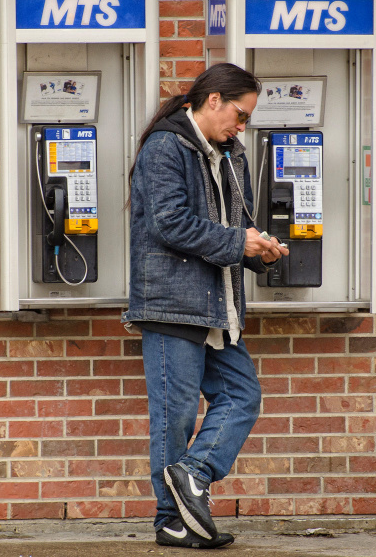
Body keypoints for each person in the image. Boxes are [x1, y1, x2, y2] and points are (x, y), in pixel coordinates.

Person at [122, 63, 288, 549]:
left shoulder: (232, 154)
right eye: (241, 114)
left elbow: (241, 227)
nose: (243, 127)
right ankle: (172, 522)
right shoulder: (165, 147)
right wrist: (240, 243)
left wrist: (262, 251)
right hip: (172, 303)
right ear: (213, 99)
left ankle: (193, 473)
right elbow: (170, 223)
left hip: (221, 305)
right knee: (174, 418)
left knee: (242, 395)